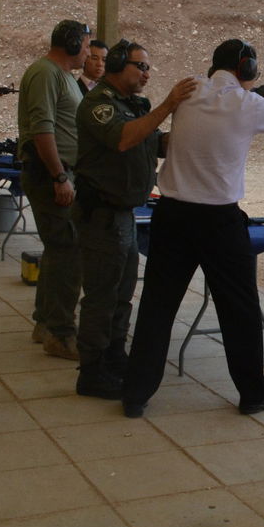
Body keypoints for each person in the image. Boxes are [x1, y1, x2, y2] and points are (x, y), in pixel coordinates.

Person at [121, 39, 264, 418]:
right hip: (219, 221)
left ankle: (136, 394)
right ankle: (252, 393)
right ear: (246, 67)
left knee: (157, 306)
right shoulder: (247, 104)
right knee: (240, 310)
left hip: (171, 215)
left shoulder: (185, 93)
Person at [71, 41, 197, 399]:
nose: (146, 73)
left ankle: (113, 357)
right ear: (115, 65)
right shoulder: (99, 105)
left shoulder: (133, 106)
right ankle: (91, 370)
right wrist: (169, 104)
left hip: (124, 214)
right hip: (102, 216)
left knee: (122, 294)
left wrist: (201, 126)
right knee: (101, 296)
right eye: (140, 66)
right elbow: (125, 139)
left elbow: (154, 143)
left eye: (147, 67)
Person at [18, 19, 91, 360]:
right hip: (53, 176)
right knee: (69, 253)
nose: (89, 52)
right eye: (87, 45)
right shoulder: (47, 73)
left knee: (58, 251)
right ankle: (61, 334)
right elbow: (42, 130)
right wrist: (60, 177)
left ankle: (46, 323)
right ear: (73, 44)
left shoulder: (62, 77)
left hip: (58, 173)